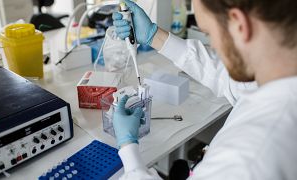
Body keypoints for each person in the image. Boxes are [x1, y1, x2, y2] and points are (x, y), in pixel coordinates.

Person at [112, 0, 297, 179]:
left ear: (240, 25)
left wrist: (129, 152)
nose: (214, 46)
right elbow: (226, 76)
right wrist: (155, 36)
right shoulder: (274, 78)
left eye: (208, 34)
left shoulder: (247, 163)